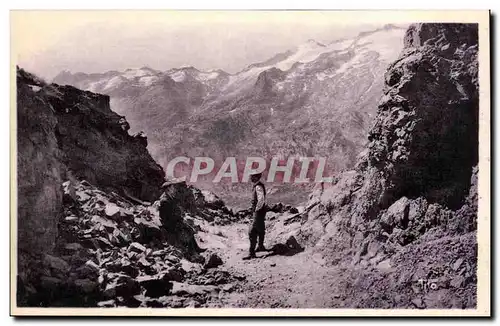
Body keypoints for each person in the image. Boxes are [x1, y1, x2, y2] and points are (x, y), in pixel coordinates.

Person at [243, 172, 268, 260]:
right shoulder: (258, 186)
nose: (251, 178)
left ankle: (251, 253)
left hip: (258, 211)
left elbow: (261, 199)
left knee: (252, 231)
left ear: (256, 177)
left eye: (252, 176)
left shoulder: (258, 186)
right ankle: (260, 246)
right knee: (260, 228)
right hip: (260, 211)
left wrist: (256, 209)